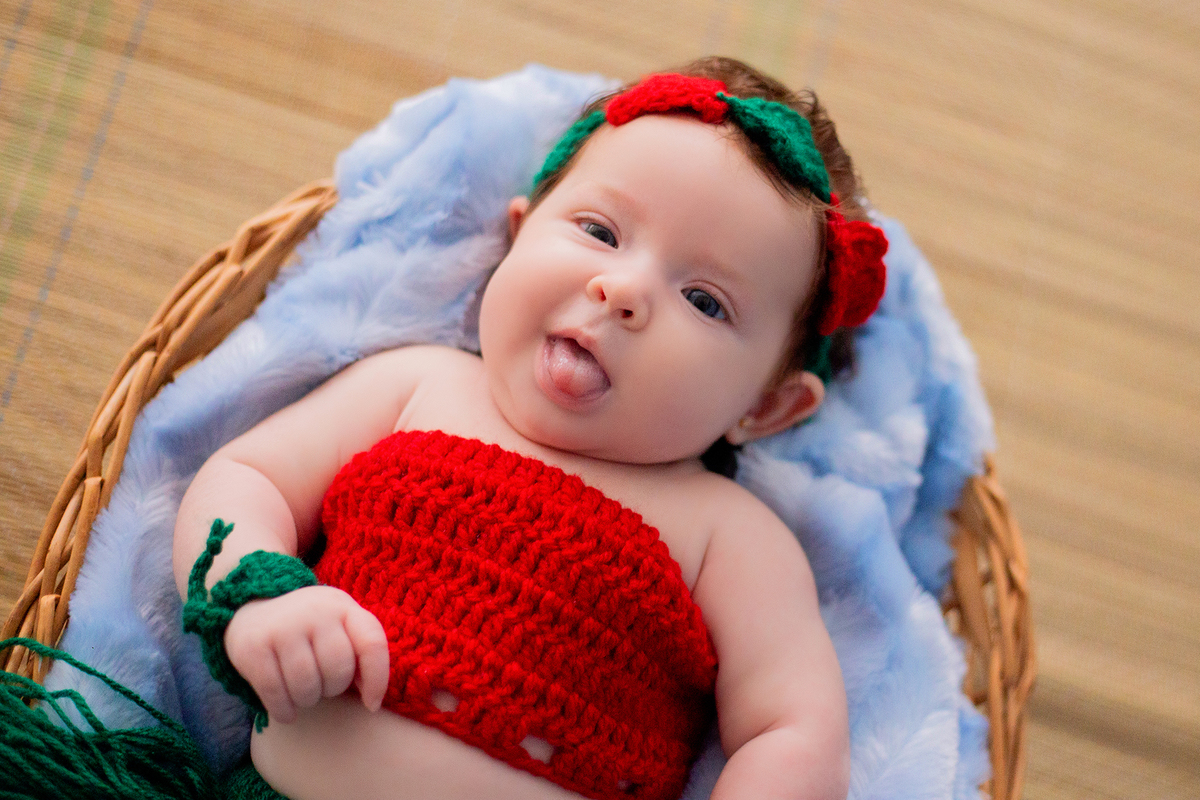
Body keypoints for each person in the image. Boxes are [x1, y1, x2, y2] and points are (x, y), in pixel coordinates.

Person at [173, 56, 887, 800]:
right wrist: (260, 596)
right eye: (600, 230)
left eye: (705, 301)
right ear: (515, 238)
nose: (622, 291)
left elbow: (794, 731)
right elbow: (246, 478)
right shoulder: (417, 383)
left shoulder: (731, 535)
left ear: (764, 408)